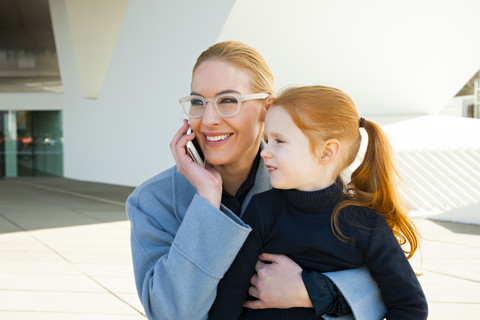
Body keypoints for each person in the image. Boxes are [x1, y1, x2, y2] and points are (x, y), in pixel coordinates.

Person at [126, 41, 386, 320]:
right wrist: (206, 202)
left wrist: (312, 290)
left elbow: (392, 285)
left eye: (228, 101)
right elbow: (171, 314)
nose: (209, 119)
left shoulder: (310, 182)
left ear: (267, 108)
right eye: (198, 103)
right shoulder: (153, 201)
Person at [209, 85, 428, 320]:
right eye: (267, 140)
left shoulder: (366, 224)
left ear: (327, 152)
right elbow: (228, 297)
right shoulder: (262, 210)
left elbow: (411, 306)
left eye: (279, 141)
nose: (266, 151)